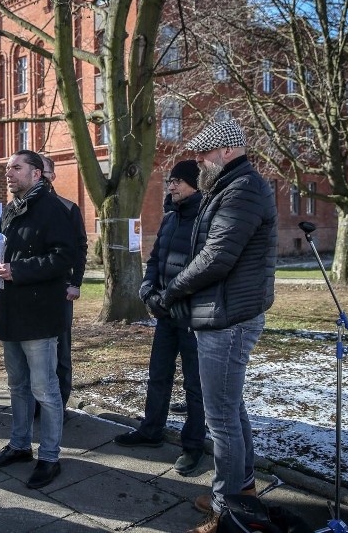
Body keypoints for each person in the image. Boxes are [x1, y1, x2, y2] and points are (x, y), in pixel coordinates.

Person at [156, 122, 277, 533]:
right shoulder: (232, 185)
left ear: (226, 150)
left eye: (206, 155)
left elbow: (217, 257)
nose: (200, 162)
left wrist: (172, 291)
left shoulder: (243, 188)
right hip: (221, 313)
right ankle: (242, 491)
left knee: (220, 418)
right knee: (231, 409)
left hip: (229, 319)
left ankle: (227, 508)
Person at [0, 150, 75, 490]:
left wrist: (18, 270)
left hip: (39, 314)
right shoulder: (10, 209)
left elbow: (63, 257)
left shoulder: (53, 208)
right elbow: (6, 251)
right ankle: (20, 445)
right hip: (11, 311)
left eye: (16, 168)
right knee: (17, 386)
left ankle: (50, 456)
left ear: (36, 174)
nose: (9, 173)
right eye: (7, 168)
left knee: (45, 390)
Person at [113, 160, 207, 477]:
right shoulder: (169, 219)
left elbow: (206, 269)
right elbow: (155, 260)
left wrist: (172, 298)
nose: (171, 186)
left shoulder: (206, 218)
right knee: (158, 376)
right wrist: (148, 292)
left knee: (196, 386)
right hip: (166, 314)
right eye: (170, 180)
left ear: (195, 183)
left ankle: (194, 447)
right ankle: (151, 431)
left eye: (178, 181)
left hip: (194, 318)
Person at [39, 155, 87, 413]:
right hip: (31, 291)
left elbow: (80, 248)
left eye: (44, 171)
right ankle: (37, 403)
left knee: (60, 350)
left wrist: (76, 282)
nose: (39, 176)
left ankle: (59, 404)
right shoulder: (21, 208)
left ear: (52, 176)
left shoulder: (68, 208)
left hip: (60, 290)